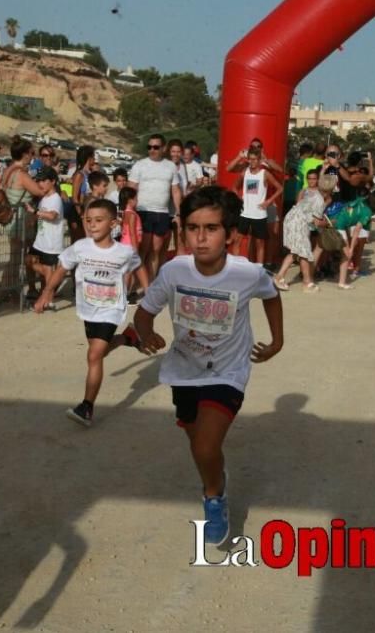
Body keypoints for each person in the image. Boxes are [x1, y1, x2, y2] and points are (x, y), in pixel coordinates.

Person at [134, 186, 283, 546]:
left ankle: (214, 497)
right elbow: (144, 313)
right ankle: (215, 477)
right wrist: (145, 332)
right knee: (198, 442)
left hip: (227, 372)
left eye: (212, 228)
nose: (200, 238)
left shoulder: (246, 273)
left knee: (204, 447)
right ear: (182, 230)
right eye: (192, 228)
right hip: (184, 371)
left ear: (230, 234)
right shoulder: (174, 271)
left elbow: (272, 295)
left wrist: (277, 341)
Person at [35, 198, 148, 425]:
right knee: (99, 352)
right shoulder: (80, 247)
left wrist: (149, 293)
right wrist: (47, 292)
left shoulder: (124, 252)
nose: (92, 225)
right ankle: (128, 337)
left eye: (98, 220)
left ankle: (86, 408)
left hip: (111, 309)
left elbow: (138, 267)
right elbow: (61, 268)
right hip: (88, 308)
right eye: (88, 220)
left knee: (94, 355)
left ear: (113, 223)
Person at [0, 136, 46, 303]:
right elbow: (39, 191)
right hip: (21, 220)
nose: (33, 156)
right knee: (17, 258)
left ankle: (4, 291)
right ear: (25, 154)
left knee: (14, 256)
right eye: (31, 153)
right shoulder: (21, 174)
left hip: (12, 219)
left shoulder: (8, 170)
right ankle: (10, 291)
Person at [128, 133, 181, 282]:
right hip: (143, 212)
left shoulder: (170, 166)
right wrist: (127, 211)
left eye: (156, 147)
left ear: (164, 148)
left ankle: (150, 285)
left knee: (156, 251)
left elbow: (175, 190)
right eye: (149, 147)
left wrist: (179, 212)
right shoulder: (140, 165)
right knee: (142, 250)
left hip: (162, 213)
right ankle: (133, 286)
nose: (152, 150)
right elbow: (131, 189)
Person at [274, 167, 331, 292]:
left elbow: (305, 211)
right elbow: (316, 221)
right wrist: (326, 223)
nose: (312, 181)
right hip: (299, 223)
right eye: (310, 179)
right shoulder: (317, 197)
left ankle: (280, 277)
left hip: (292, 220)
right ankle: (307, 283)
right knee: (304, 252)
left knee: (295, 251)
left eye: (315, 179)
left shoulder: (319, 197)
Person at [233, 148, 282, 264]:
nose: (252, 162)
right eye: (250, 159)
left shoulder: (265, 173)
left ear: (260, 160)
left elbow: (280, 188)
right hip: (245, 212)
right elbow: (235, 187)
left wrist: (268, 201)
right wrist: (239, 199)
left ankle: (259, 269)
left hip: (259, 214)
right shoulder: (245, 172)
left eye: (254, 159)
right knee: (237, 240)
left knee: (260, 243)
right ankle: (235, 267)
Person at [28, 166, 66, 307]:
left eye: (44, 180)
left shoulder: (55, 198)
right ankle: (55, 277)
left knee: (48, 272)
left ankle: (47, 301)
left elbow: (52, 215)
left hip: (51, 243)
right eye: (39, 180)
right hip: (41, 241)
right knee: (29, 261)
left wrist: (35, 212)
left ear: (53, 181)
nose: (40, 183)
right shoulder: (45, 198)